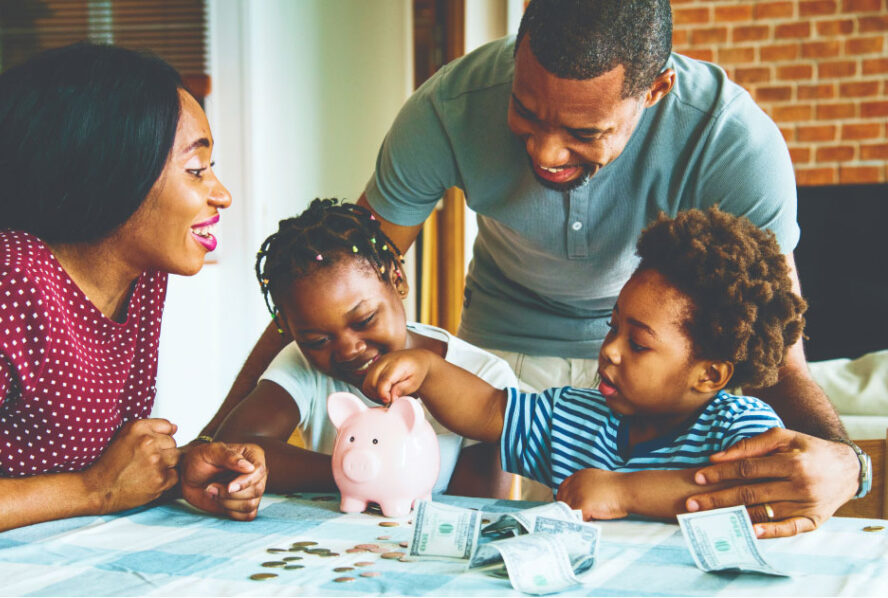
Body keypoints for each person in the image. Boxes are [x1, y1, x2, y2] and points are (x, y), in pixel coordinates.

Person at [204, 0, 867, 537]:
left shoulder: (732, 142)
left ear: (656, 89)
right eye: (526, 111)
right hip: (505, 350)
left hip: (662, 354)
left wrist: (849, 464)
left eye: (585, 131)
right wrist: (208, 442)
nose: (547, 151)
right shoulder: (448, 109)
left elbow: (782, 359)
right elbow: (332, 277)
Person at [0, 43, 265, 562]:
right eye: (196, 170)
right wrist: (94, 490)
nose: (222, 194)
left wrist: (176, 469)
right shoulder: (0, 281)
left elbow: (72, 466)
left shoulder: (139, 279)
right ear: (113, 172)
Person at [364, 208, 803, 526]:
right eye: (613, 329)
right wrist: (428, 371)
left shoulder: (742, 429)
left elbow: (743, 494)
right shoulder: (575, 417)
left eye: (638, 344)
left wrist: (622, 492)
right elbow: (488, 410)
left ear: (709, 375)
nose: (610, 350)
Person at [204, 199, 518, 497]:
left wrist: (367, 474)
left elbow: (476, 507)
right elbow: (233, 448)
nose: (349, 350)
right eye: (318, 341)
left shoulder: (485, 376)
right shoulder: (303, 363)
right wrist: (353, 472)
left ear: (397, 279)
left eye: (365, 319)